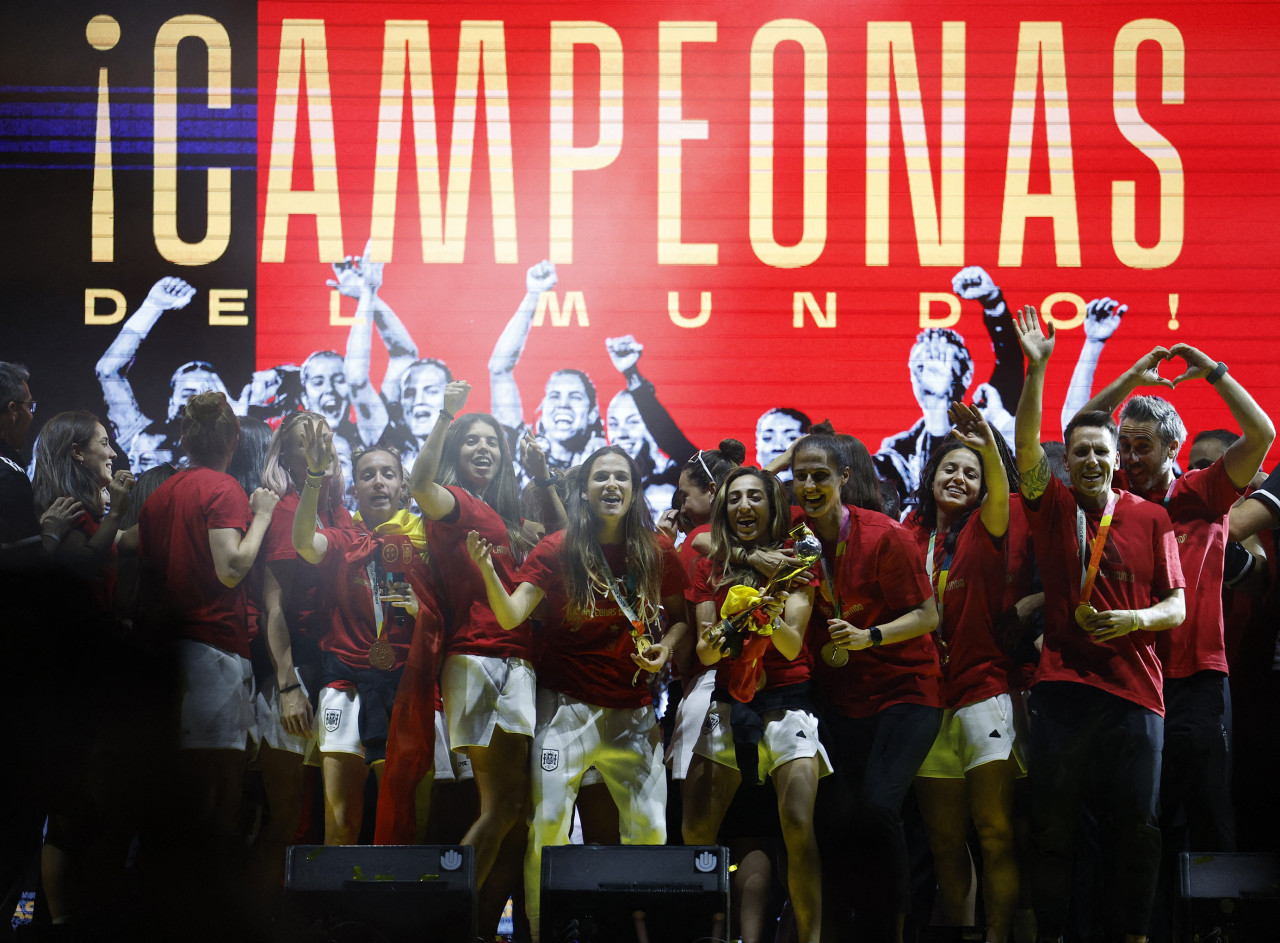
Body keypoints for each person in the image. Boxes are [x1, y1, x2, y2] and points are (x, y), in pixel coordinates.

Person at [1078, 344, 1273, 936]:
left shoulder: (1201, 494)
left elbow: (1261, 433)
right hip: (1131, 682)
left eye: (1144, 445)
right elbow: (1081, 427)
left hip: (1199, 681)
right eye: (1125, 444)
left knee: (1212, 810)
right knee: (1140, 816)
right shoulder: (1112, 502)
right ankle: (1148, 926)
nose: (1130, 457)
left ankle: (1222, 927)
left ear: (1171, 448)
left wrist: (1215, 371)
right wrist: (1130, 378)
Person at [1011, 306, 1186, 943]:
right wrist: (1036, 368)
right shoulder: (1051, 506)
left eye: (1100, 451)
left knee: (1135, 831)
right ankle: (1055, 933)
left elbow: (1177, 606)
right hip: (1062, 690)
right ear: (1069, 462)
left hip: (1137, 696)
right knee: (1052, 830)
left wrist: (1134, 618)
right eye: (1078, 451)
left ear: (1117, 461)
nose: (1088, 459)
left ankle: (1132, 935)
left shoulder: (1151, 518)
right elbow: (1028, 443)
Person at [466, 445, 690, 941]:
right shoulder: (558, 547)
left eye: (621, 478)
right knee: (546, 827)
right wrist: (486, 570)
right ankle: (543, 934)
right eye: (600, 478)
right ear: (584, 491)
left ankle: (639, 935)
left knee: (652, 833)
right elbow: (509, 616)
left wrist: (665, 648)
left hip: (633, 711)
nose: (611, 485)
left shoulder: (656, 549)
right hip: (565, 705)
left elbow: (681, 620)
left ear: (633, 491)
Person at [407, 380, 551, 931]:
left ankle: (478, 927)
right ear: (454, 451)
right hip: (482, 659)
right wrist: (445, 413)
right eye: (472, 441)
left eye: (493, 441)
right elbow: (420, 482)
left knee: (515, 816)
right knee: (501, 808)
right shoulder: (456, 503)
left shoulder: (498, 512)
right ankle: (442, 924)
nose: (484, 449)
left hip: (511, 662)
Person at [793, 433, 941, 943]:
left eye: (820, 476)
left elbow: (927, 615)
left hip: (906, 690)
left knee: (879, 807)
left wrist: (868, 636)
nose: (810, 486)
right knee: (836, 820)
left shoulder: (884, 536)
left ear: (843, 478)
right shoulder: (794, 543)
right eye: (801, 476)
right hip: (841, 700)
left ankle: (892, 931)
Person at [683, 466, 827, 943]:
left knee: (799, 823)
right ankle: (712, 932)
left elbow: (790, 646)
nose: (744, 506)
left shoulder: (800, 562)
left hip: (787, 702)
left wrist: (764, 618)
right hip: (728, 703)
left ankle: (809, 938)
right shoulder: (710, 565)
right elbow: (705, 652)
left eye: (755, 498)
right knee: (696, 834)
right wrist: (730, 627)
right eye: (735, 498)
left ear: (773, 507)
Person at [137, 391, 280, 839]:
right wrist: (261, 515)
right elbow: (232, 568)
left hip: (167, 655)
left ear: (183, 437)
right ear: (234, 439)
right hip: (211, 654)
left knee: (178, 792)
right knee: (216, 791)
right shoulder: (223, 489)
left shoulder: (159, 495)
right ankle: (204, 901)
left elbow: (130, 547)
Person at [906, 407, 1023, 943]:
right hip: (928, 701)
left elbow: (1001, 488)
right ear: (929, 479)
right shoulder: (908, 537)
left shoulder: (988, 526)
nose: (958, 478)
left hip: (983, 693)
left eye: (970, 473)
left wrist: (987, 447)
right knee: (945, 841)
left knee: (996, 833)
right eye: (949, 469)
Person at [292, 430, 429, 844]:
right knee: (341, 818)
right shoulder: (343, 537)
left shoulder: (423, 541)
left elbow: (446, 614)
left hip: (401, 686)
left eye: (388, 473)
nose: (378, 481)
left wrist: (418, 609)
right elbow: (303, 544)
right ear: (355, 486)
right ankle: (338, 909)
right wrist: (315, 477)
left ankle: (394, 905)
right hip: (344, 685)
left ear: (403, 485)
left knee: (399, 816)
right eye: (368, 474)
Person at [256, 412, 350, 882]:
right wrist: (289, 684)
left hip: (333, 669)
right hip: (297, 671)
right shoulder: (290, 509)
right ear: (288, 458)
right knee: (288, 819)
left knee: (317, 817)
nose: (320, 447)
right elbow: (272, 607)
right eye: (305, 442)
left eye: (326, 438)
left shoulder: (340, 513)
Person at [877, 265, 1025, 513]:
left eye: (940, 353)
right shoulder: (894, 452)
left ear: (964, 375)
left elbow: (1010, 361)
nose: (931, 356)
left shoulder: (986, 427)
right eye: (922, 359)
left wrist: (992, 301)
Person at [489, 261, 607, 472]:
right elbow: (499, 369)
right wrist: (534, 294)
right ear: (542, 409)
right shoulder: (519, 451)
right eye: (554, 396)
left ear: (592, 413)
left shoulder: (608, 467)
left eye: (575, 397)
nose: (563, 405)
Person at [604, 334, 697, 519]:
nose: (622, 434)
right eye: (614, 423)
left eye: (633, 422)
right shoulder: (597, 474)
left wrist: (632, 374)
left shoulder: (676, 476)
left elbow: (672, 440)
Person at [0, 362, 76, 565]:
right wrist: (51, 530)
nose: (32, 415)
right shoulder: (9, 477)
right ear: (13, 410)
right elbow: (27, 566)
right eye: (30, 406)